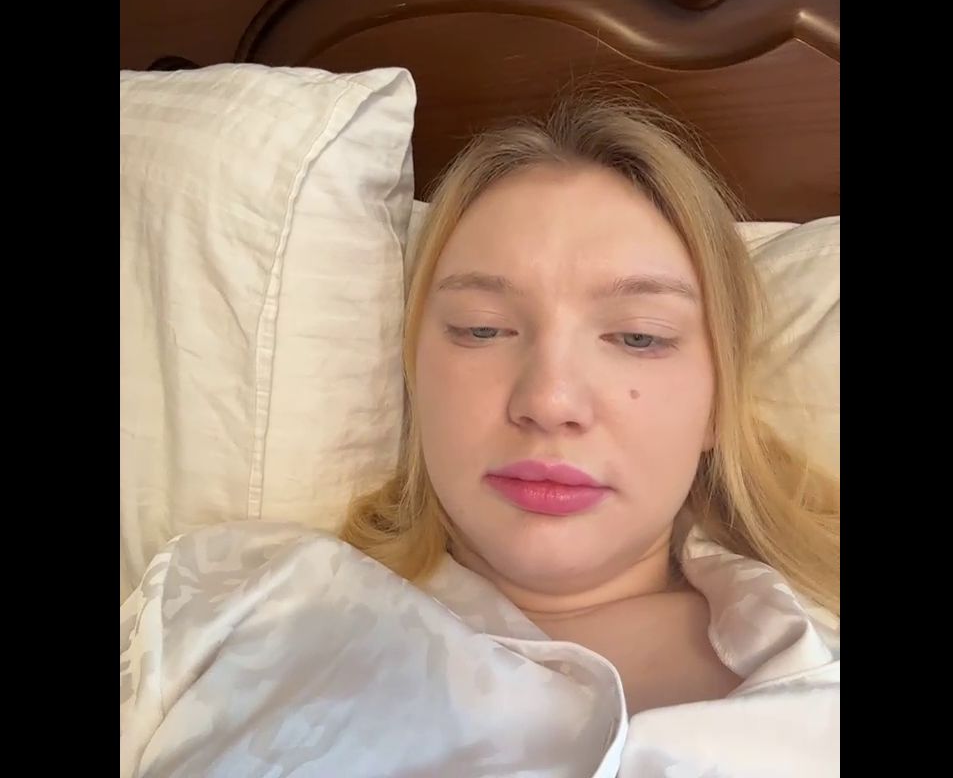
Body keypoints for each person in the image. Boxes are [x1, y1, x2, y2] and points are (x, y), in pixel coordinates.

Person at [121, 99, 839, 777]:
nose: (549, 401)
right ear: (415, 372)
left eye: (638, 336)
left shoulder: (815, 675)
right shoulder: (227, 610)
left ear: (717, 405)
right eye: (482, 329)